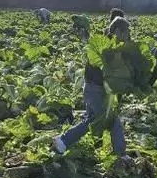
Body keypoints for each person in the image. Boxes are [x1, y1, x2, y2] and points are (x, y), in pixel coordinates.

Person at [53, 17, 131, 157]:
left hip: (94, 88)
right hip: (95, 89)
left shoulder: (111, 45)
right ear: (118, 31)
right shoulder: (105, 45)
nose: (127, 37)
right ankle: (121, 155)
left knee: (91, 119)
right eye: (125, 33)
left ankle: (63, 141)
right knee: (111, 121)